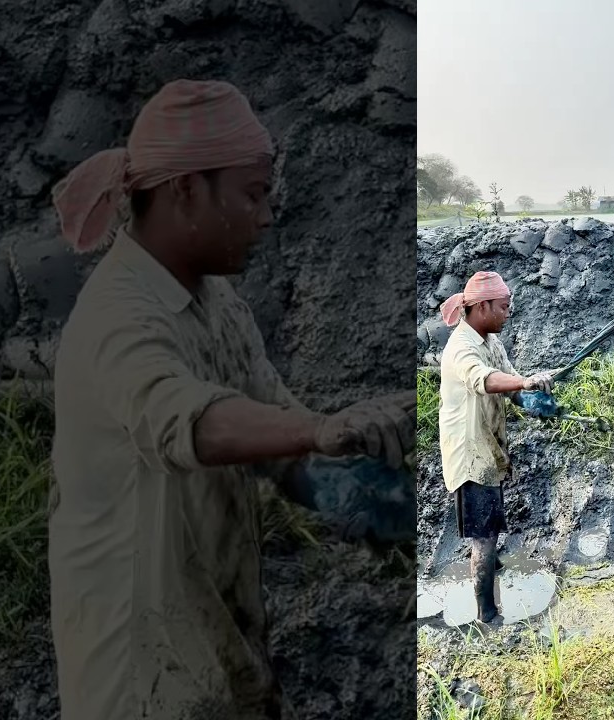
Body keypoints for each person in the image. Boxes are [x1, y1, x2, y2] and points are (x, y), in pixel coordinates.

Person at [47, 79, 412, 720]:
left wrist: (379, 497)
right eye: (253, 194)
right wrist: (318, 428)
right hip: (139, 681)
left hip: (217, 648)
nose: (267, 215)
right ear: (186, 190)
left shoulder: (217, 305)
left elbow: (281, 439)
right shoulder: (119, 316)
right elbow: (187, 423)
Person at [437, 270, 554, 624]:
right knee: (483, 538)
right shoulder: (461, 348)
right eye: (504, 306)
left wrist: (530, 398)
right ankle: (487, 614)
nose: (509, 312)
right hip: (470, 455)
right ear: (483, 306)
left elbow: (509, 386)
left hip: (488, 449)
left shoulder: (491, 342)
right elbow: (484, 380)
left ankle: (494, 570)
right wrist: (523, 380)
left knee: (490, 522)